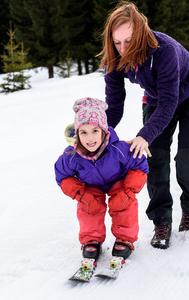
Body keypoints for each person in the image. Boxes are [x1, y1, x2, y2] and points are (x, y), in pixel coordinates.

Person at [98, 1, 189, 249]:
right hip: (157, 99)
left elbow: (170, 102)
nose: (122, 48)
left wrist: (144, 134)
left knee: (188, 155)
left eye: (128, 41)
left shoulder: (164, 50)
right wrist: (99, 134)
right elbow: (115, 105)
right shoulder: (115, 59)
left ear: (140, 33)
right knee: (153, 156)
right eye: (117, 42)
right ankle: (162, 220)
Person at [55, 97, 148, 266]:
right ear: (76, 134)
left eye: (95, 131)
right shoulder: (71, 156)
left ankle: (124, 239)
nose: (90, 138)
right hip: (90, 186)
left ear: (104, 131)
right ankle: (91, 240)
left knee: (123, 203)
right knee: (89, 205)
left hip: (118, 183)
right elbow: (62, 175)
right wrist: (80, 193)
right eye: (83, 132)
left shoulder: (118, 149)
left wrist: (129, 190)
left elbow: (139, 164)